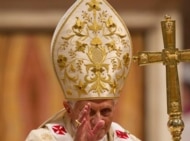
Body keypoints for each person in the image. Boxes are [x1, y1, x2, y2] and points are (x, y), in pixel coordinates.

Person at [26, 0, 140, 140]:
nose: (98, 121)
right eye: (89, 112)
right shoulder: (43, 138)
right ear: (68, 108)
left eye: (105, 111)